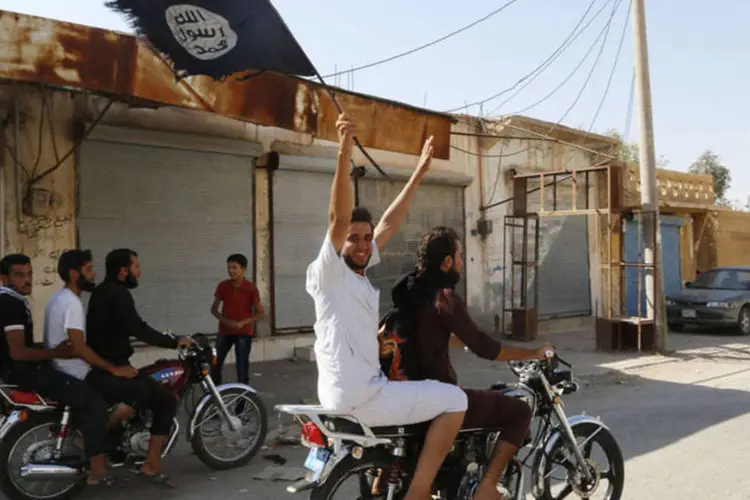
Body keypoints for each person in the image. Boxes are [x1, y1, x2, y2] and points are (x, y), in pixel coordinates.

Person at [306, 113, 467, 500]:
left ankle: (388, 478)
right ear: (337, 243)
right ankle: (420, 490)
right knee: (455, 400)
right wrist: (344, 148)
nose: (362, 244)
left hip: (351, 389)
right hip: (361, 395)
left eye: (365, 237)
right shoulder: (329, 271)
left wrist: (420, 171)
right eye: (352, 239)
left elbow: (390, 223)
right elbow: (338, 216)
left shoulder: (356, 271)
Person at [390, 227, 555, 500]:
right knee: (519, 411)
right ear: (446, 262)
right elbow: (485, 348)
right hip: (438, 395)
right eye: (459, 256)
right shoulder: (444, 297)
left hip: (406, 390)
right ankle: (487, 487)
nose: (462, 263)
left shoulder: (410, 290)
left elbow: (428, 334)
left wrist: (456, 339)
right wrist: (533, 353)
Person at [0, 254, 117, 489]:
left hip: (19, 370)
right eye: (19, 275)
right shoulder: (9, 304)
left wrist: (48, 350)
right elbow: (18, 352)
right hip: (20, 372)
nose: (27, 279)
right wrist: (56, 353)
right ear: (4, 278)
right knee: (93, 402)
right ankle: (97, 470)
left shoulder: (14, 300)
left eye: (29, 273)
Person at [86, 249, 193, 488]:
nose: (139, 271)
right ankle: (147, 463)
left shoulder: (100, 292)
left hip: (107, 366)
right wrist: (175, 341)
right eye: (136, 266)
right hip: (112, 368)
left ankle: (125, 450)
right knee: (164, 400)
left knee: (148, 392)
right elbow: (138, 328)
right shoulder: (118, 294)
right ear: (123, 270)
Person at [43, 250, 138, 453]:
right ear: (74, 274)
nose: (93, 275)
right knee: (136, 392)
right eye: (88, 270)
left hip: (61, 369)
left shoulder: (57, 297)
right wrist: (113, 368)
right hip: (77, 373)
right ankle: (92, 442)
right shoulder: (72, 303)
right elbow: (78, 347)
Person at [210, 253, 264, 385]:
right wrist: (225, 320)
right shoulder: (223, 286)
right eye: (229, 268)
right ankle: (216, 396)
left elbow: (260, 313)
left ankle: (242, 401)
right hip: (224, 332)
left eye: (234, 267)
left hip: (243, 334)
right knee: (215, 364)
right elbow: (214, 309)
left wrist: (242, 323)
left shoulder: (251, 288)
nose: (231, 271)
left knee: (242, 368)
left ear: (243, 269)